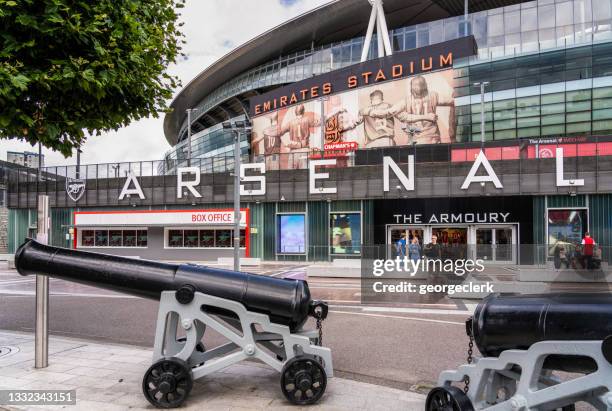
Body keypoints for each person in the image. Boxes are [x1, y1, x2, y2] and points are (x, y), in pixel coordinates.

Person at [370, 75, 456, 144]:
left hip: (418, 140)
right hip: (433, 138)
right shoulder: (434, 96)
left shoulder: (406, 101)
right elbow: (453, 102)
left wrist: (373, 112)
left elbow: (388, 112)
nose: (417, 88)